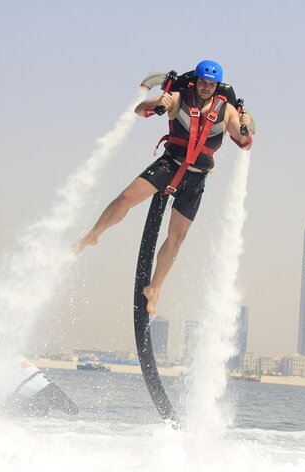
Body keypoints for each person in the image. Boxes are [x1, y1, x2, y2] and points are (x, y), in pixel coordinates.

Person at [74, 60, 254, 317]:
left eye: (211, 84)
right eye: (202, 82)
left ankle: (155, 288)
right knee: (125, 198)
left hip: (196, 178)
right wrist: (159, 103)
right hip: (169, 164)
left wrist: (245, 126)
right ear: (196, 81)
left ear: (216, 87)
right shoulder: (179, 97)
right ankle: (93, 234)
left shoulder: (226, 112)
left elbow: (244, 141)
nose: (205, 87)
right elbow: (140, 110)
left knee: (177, 238)